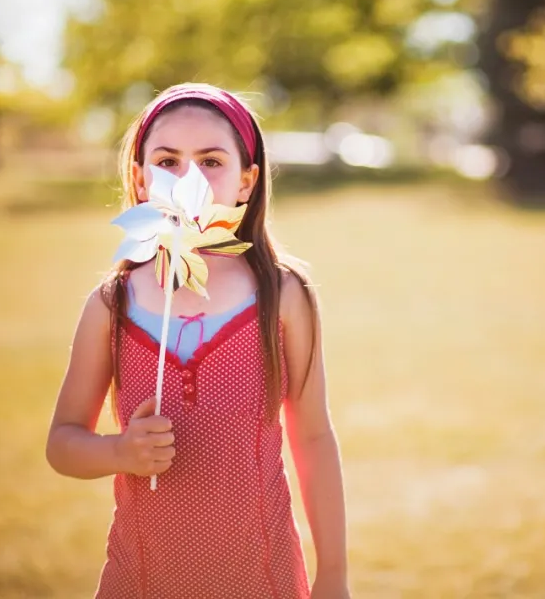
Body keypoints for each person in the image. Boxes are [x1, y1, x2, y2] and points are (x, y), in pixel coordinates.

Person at [46, 83, 349, 599]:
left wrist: (334, 576)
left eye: (211, 161)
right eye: (168, 162)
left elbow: (313, 436)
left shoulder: (284, 295)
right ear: (140, 181)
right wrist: (119, 452)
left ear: (246, 181)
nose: (190, 178)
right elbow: (62, 444)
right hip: (140, 579)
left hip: (262, 577)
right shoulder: (112, 304)